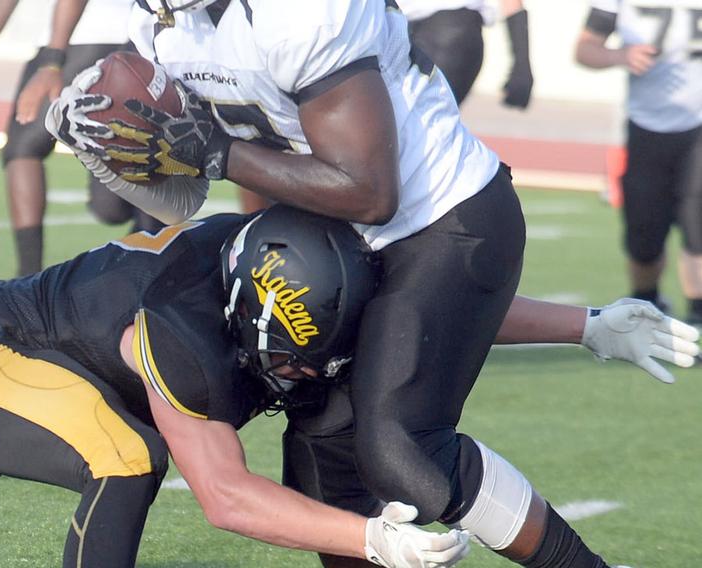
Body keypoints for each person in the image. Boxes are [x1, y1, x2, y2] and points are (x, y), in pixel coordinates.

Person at [44, 1, 699, 565]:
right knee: (326, 480)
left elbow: (370, 191)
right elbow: (175, 188)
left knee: (401, 450)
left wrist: (212, 153)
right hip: (329, 231)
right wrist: (110, 136)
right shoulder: (161, 19)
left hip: (443, 216)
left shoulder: (299, 14)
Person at [0, 205, 473, 568]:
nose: (311, 371)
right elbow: (226, 498)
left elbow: (419, 310)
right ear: (250, 312)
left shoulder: (264, 269)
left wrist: (576, 326)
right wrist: (373, 539)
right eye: (301, 354)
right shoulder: (183, 328)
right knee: (127, 457)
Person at [0, 0, 162, 276]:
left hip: (89, 41)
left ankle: (28, 277)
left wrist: (51, 60)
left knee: (24, 148)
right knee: (111, 203)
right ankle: (30, 275)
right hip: (134, 41)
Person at [574, 1, 702, 323]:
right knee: (643, 236)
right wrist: (620, 55)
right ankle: (647, 304)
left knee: (697, 222)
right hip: (645, 125)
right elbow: (585, 49)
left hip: (698, 123)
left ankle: (699, 315)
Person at [400, 0, 533, 107]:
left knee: (420, 124)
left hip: (447, 31)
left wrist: (522, 63)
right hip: (435, 30)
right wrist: (522, 61)